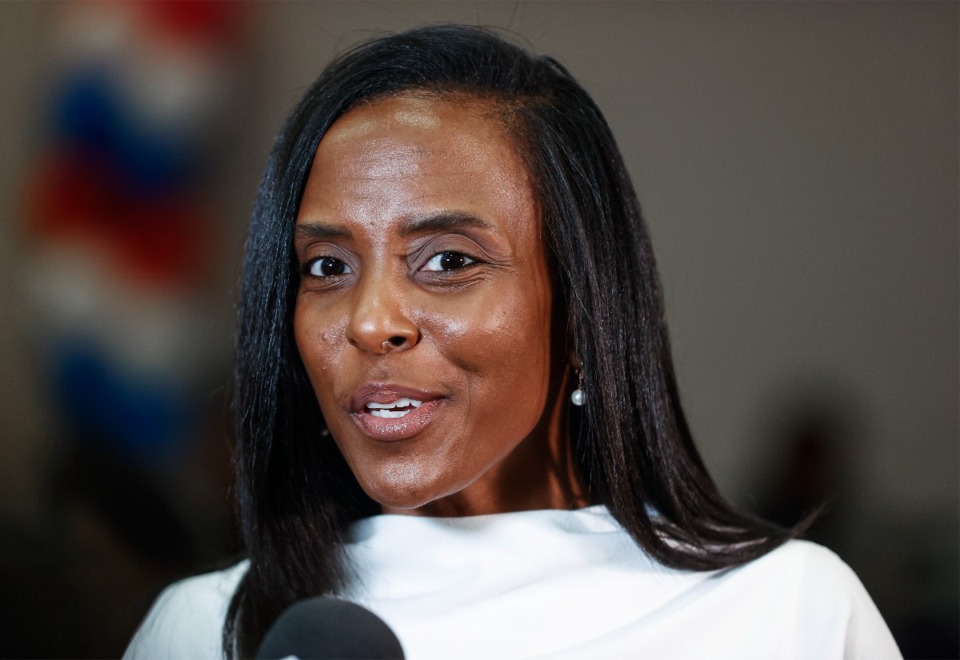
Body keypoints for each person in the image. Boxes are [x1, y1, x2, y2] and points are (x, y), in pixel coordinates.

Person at [124, 25, 900, 659]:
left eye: (448, 261)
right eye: (327, 266)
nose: (368, 321)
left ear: (581, 313)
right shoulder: (205, 629)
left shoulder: (784, 613)